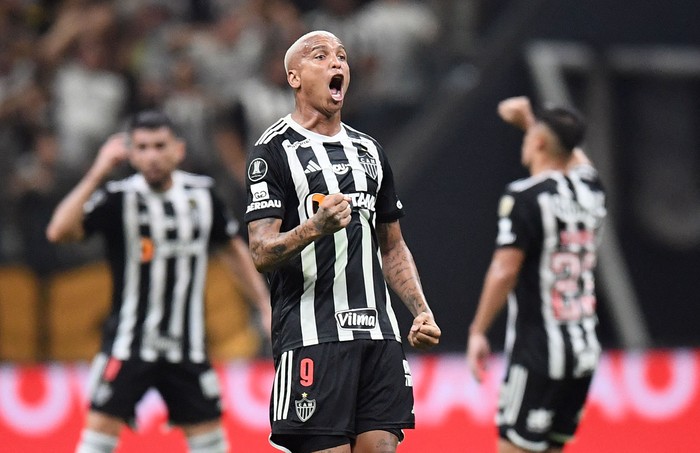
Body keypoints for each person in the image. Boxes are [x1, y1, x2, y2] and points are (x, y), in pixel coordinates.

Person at [244, 30, 441, 453]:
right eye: (321, 56)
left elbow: (392, 246)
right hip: (314, 337)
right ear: (295, 78)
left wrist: (420, 310)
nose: (338, 64)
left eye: (343, 56)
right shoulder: (273, 151)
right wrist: (315, 227)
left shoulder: (369, 150)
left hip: (379, 336)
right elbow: (261, 251)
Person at [46, 110, 271, 453]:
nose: (151, 155)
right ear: (131, 153)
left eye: (159, 146)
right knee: (95, 442)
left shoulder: (202, 196)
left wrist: (264, 304)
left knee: (212, 445)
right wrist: (98, 171)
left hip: (187, 347)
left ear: (178, 150)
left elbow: (234, 251)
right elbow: (59, 231)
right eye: (142, 147)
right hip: (128, 344)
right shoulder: (118, 197)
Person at [466, 96, 607, 453]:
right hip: (583, 350)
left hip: (538, 352)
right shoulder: (591, 190)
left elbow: (504, 269)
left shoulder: (525, 196)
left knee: (515, 445)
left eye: (531, 135)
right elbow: (574, 156)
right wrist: (532, 121)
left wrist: (478, 330)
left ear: (540, 142)